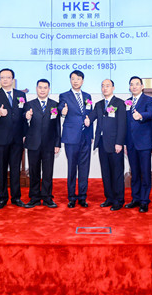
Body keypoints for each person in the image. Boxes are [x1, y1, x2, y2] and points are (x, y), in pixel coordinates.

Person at [85, 79, 126, 211]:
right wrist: (86, 119)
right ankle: (109, 198)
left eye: (107, 86)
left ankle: (118, 200)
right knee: (106, 172)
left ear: (113, 88)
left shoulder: (119, 103)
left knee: (117, 172)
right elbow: (90, 117)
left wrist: (119, 142)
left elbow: (122, 125)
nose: (105, 88)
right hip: (102, 143)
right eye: (103, 86)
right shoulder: (99, 104)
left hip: (115, 144)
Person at [0, 68, 27, 209]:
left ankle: (16, 198)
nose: (5, 79)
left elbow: (24, 115)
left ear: (12, 79)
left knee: (16, 169)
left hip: (17, 138)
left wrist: (25, 134)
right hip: (1, 139)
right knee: (2, 169)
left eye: (8, 77)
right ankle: (2, 198)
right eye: (2, 77)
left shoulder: (21, 94)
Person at [23, 79, 61, 208]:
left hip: (49, 144)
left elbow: (57, 126)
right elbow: (23, 122)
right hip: (33, 143)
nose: (42, 90)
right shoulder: (29, 104)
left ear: (49, 89)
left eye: (45, 88)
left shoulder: (55, 105)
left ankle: (47, 197)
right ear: (36, 88)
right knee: (34, 172)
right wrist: (26, 117)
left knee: (48, 172)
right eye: (40, 87)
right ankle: (34, 198)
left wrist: (57, 143)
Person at [58, 70, 93, 208]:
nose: (76, 81)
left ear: (82, 81)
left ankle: (82, 197)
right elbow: (61, 107)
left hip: (86, 137)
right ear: (70, 81)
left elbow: (89, 115)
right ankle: (72, 197)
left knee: (84, 168)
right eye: (73, 79)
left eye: (78, 79)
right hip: (71, 137)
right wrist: (62, 111)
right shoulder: (64, 95)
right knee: (72, 168)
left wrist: (91, 135)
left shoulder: (87, 96)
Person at [124, 76, 152, 213]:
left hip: (144, 143)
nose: (134, 86)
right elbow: (125, 124)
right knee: (134, 173)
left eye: (137, 84)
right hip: (130, 143)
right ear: (129, 87)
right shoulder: (127, 102)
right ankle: (135, 198)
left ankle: (144, 201)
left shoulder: (149, 100)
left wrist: (141, 115)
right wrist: (125, 143)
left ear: (142, 86)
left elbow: (151, 113)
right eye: (132, 84)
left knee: (145, 173)